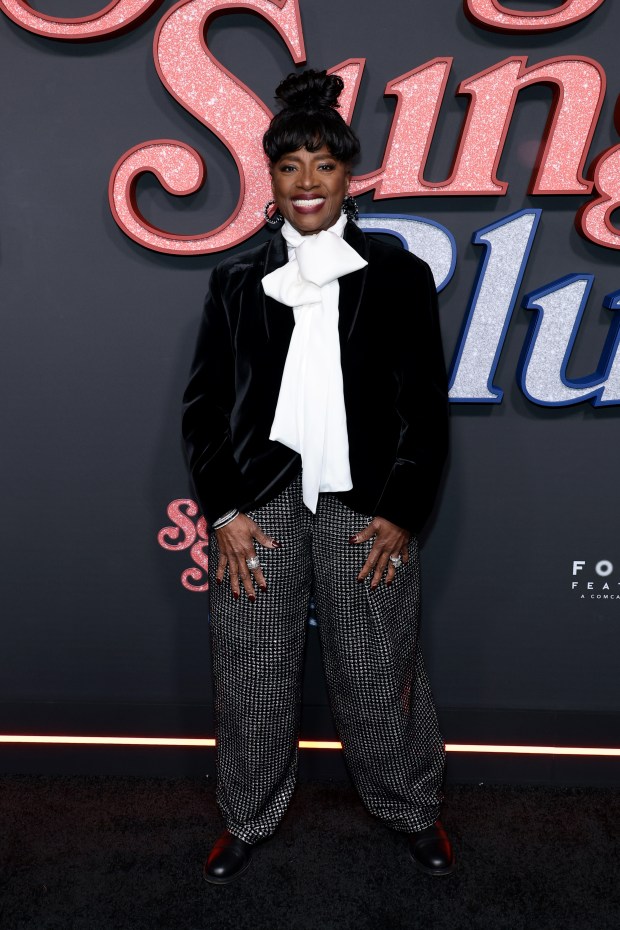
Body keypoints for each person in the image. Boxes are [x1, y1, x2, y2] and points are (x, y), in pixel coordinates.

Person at [182, 68, 454, 884]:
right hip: (256, 507)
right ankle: (246, 818)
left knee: (378, 670)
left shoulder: (400, 277)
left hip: (364, 504)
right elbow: (203, 408)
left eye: (323, 165)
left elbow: (425, 414)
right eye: (289, 165)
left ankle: (412, 810)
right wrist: (224, 510)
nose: (306, 181)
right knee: (253, 673)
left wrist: (404, 512)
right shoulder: (234, 280)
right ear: (270, 175)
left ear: (349, 176)